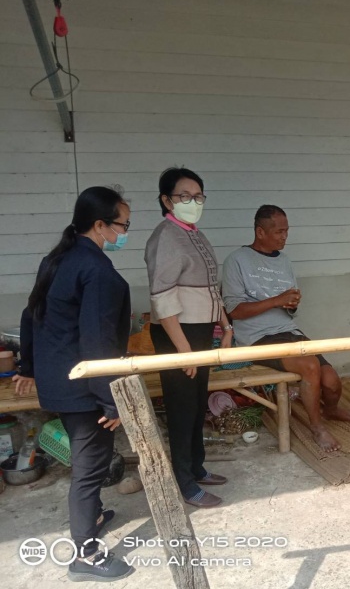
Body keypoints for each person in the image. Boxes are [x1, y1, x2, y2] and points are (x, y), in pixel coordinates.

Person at [13, 186, 134, 582]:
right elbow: (97, 340)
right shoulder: (96, 270)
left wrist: (29, 366)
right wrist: (112, 400)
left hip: (58, 382)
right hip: (84, 389)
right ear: (99, 225)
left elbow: (30, 315)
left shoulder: (57, 259)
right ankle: (87, 555)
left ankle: (93, 516)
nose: (124, 233)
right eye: (123, 225)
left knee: (87, 463)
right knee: (89, 468)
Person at [222, 205, 350, 453]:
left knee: (331, 381)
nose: (285, 236)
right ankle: (316, 427)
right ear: (260, 232)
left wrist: (291, 303)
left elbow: (289, 306)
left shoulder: (284, 261)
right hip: (256, 338)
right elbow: (234, 311)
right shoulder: (236, 260)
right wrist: (276, 300)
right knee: (310, 366)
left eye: (287, 231)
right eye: (279, 231)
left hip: (288, 331)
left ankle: (330, 410)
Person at [145, 167, 233, 509]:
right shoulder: (165, 237)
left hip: (199, 332)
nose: (192, 202)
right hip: (176, 335)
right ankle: (184, 482)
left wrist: (226, 327)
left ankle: (196, 467)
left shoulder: (194, 233)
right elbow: (162, 297)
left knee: (197, 404)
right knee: (182, 408)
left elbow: (211, 289)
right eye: (184, 196)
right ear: (167, 200)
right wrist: (183, 351)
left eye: (198, 196)